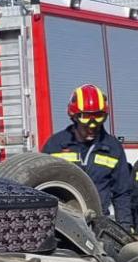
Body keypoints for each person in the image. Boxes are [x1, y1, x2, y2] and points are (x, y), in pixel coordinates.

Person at [40, 84, 132, 222]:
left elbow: (122, 194)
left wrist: (125, 226)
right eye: (86, 122)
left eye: (97, 120)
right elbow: (42, 187)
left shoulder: (113, 148)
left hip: (98, 221)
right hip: (64, 223)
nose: (92, 127)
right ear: (74, 117)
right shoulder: (55, 145)